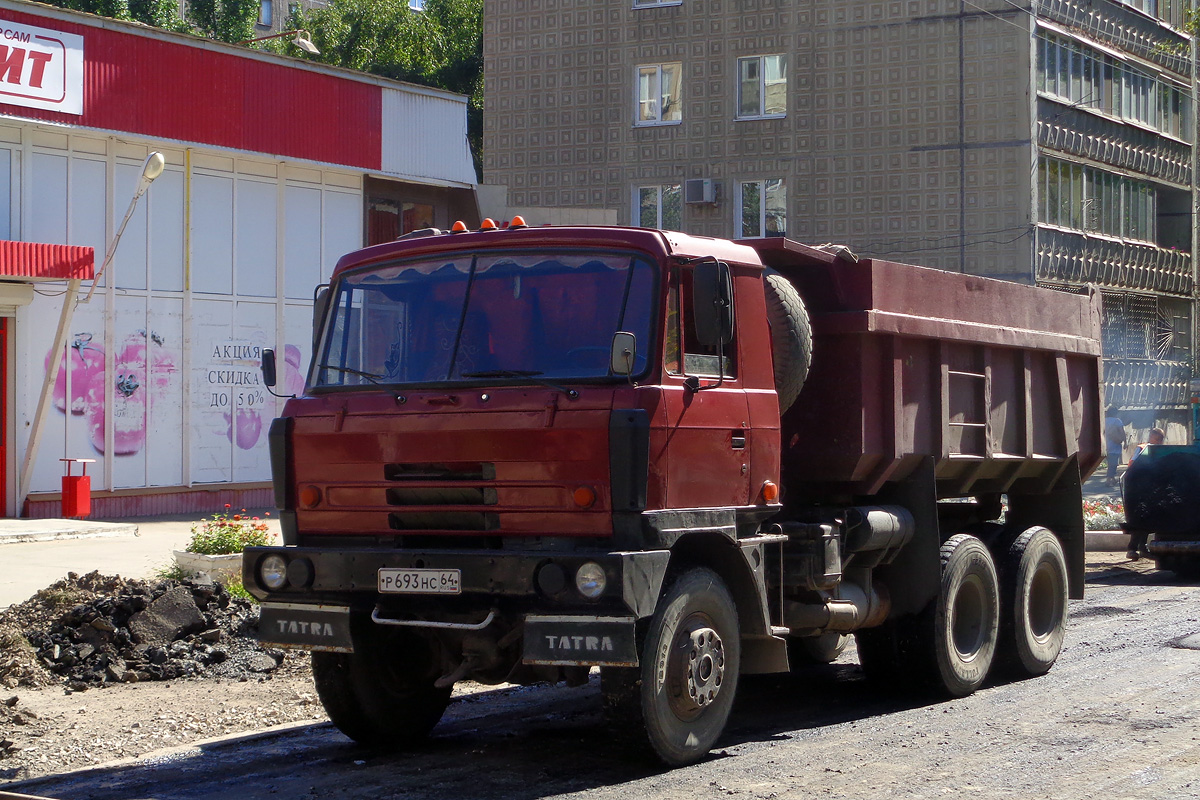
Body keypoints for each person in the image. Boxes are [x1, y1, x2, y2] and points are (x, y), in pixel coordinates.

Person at [1125, 427, 1165, 561]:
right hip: (1139, 488)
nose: (1160, 442)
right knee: (1140, 518)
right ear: (1155, 438)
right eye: (1159, 439)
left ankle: (1142, 547)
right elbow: (1134, 465)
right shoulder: (1144, 449)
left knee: (1145, 519)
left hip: (1145, 487)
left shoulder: (1152, 450)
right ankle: (1133, 548)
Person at [1103, 407, 1126, 487]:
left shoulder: (1104, 421)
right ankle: (1108, 480)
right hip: (1115, 446)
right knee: (1113, 464)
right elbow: (1122, 432)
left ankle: (1113, 479)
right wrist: (1125, 442)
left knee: (1111, 463)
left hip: (1106, 445)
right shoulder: (1117, 421)